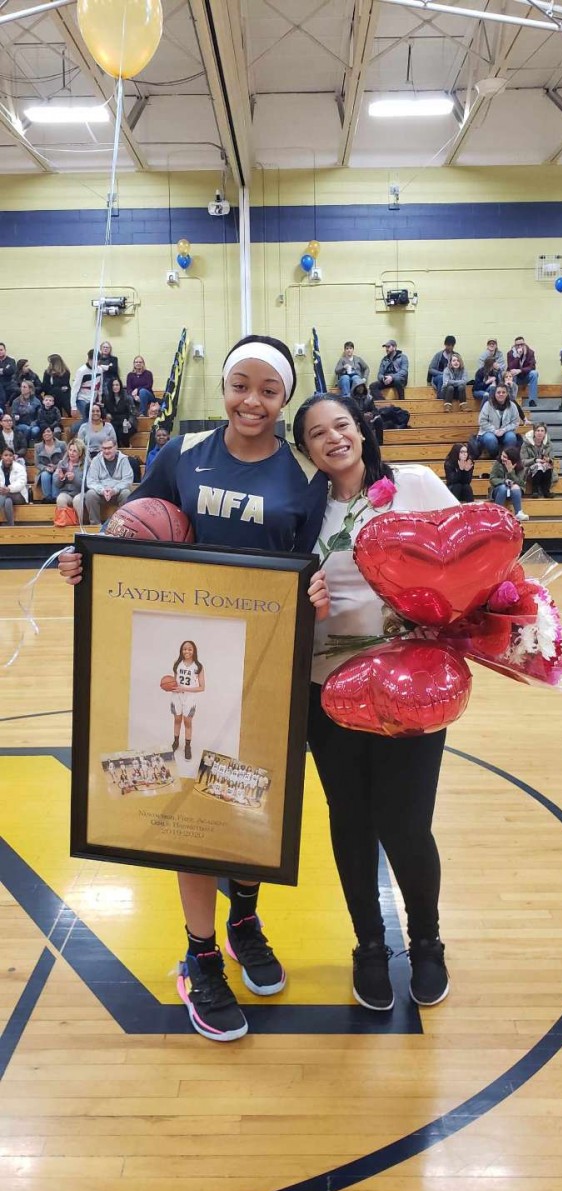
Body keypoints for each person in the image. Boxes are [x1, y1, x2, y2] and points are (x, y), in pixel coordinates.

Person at [58, 334, 330, 1043]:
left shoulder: (304, 476)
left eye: (269, 391)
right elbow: (131, 531)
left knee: (249, 801)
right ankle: (199, 954)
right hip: (183, 656)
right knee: (191, 806)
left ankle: (243, 915)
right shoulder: (181, 454)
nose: (252, 401)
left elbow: (311, 566)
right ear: (225, 387)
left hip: (267, 664)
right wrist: (92, 564)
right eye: (241, 385)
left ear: (284, 399)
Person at [293, 392, 458, 1011]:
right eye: (316, 434)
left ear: (361, 429)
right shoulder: (302, 512)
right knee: (352, 821)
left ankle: (427, 941)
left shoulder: (414, 485)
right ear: (306, 449)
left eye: (342, 425)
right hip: (325, 690)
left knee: (407, 824)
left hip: (411, 688)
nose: (333, 438)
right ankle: (368, 944)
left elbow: (469, 560)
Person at [74, 436, 133, 524]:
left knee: (126, 493)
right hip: (101, 493)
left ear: (115, 447)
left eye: (109, 448)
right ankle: (95, 525)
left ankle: (122, 524)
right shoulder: (96, 460)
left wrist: (115, 490)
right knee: (90, 494)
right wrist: (102, 490)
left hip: (117, 493)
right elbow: (91, 481)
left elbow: (127, 480)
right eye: (104, 448)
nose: (106, 451)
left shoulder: (124, 460)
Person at [169, 640, 205, 761]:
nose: (187, 651)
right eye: (185, 649)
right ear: (181, 650)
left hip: (189, 698)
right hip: (176, 697)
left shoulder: (198, 666)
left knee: (187, 722)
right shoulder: (177, 663)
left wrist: (184, 688)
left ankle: (187, 746)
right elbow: (174, 682)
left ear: (193, 650)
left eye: (189, 649)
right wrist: (170, 687)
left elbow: (202, 687)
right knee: (177, 720)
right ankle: (176, 742)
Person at [477, 384, 521, 458]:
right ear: (495, 394)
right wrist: (494, 430)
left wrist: (504, 430)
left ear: (507, 394)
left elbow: (515, 422)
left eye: (503, 392)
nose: (501, 394)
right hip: (488, 432)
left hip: (505, 432)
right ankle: (495, 456)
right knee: (490, 439)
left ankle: (507, 457)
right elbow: (482, 421)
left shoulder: (512, 405)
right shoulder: (488, 405)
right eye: (498, 392)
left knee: (511, 437)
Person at [489, 446, 529, 521]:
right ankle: (497, 513)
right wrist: (504, 481)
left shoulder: (520, 467)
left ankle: (518, 513)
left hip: (514, 491)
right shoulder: (498, 463)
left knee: (516, 486)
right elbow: (492, 478)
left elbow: (521, 483)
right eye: (502, 455)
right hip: (499, 490)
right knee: (503, 488)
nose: (502, 458)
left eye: (505, 457)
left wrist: (511, 472)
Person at [521, 422, 556, 498]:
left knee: (547, 466)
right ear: (534, 432)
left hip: (545, 468)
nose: (540, 433)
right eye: (538, 430)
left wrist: (548, 460)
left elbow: (552, 461)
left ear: (545, 433)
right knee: (538, 466)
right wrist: (535, 460)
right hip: (529, 469)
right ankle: (535, 491)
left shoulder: (549, 444)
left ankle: (546, 491)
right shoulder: (526, 444)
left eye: (542, 431)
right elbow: (523, 461)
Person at [370, 340, 408, 404]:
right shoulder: (384, 359)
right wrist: (383, 378)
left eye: (388, 347)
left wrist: (392, 377)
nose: (386, 349)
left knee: (397, 379)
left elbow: (404, 371)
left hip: (399, 380)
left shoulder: (403, 357)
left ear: (394, 347)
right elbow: (380, 374)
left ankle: (402, 401)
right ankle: (384, 404)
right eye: (386, 347)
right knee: (372, 386)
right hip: (387, 380)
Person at [103, 377, 137, 448]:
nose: (115, 387)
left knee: (122, 432)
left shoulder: (127, 397)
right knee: (113, 432)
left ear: (120, 386)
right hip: (114, 421)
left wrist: (129, 422)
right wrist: (106, 414)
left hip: (126, 421)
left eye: (117, 385)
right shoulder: (107, 398)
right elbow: (104, 410)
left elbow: (133, 413)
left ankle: (127, 447)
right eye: (113, 385)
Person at [34, 428, 66, 502]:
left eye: (48, 431)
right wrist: (46, 468)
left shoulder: (62, 444)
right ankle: (47, 498)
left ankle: (55, 497)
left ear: (52, 433)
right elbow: (37, 464)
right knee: (45, 475)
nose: (46, 434)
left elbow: (65, 460)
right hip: (45, 470)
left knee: (56, 474)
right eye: (44, 432)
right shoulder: (37, 446)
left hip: (59, 469)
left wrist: (55, 467)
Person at [54, 438, 86, 512]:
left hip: (80, 493)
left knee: (77, 500)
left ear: (80, 453)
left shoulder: (86, 465)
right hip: (66, 493)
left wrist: (74, 479)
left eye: (75, 451)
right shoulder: (62, 463)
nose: (71, 453)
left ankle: (79, 522)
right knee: (60, 499)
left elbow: (88, 485)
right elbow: (57, 484)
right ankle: (66, 522)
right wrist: (61, 478)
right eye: (70, 450)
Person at [71, 350, 104, 419]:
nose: (95, 363)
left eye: (97, 360)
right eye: (93, 360)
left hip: (93, 400)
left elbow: (100, 386)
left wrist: (100, 400)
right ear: (88, 359)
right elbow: (75, 388)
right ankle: (74, 428)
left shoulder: (100, 370)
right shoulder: (82, 371)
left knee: (95, 418)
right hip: (82, 399)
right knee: (88, 418)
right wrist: (73, 406)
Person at [507, 335, 538, 408]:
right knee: (511, 373)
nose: (520, 346)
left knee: (534, 373)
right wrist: (518, 356)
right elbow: (511, 367)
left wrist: (520, 370)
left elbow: (532, 367)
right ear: (515, 346)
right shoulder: (510, 353)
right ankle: (512, 400)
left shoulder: (530, 352)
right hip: (515, 378)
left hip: (525, 376)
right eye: (517, 345)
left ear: (524, 344)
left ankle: (532, 401)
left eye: (521, 344)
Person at [350, 378, 383, 445]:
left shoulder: (369, 398)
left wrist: (372, 414)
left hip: (368, 419)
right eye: (358, 387)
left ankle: (379, 443)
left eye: (362, 386)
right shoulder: (350, 399)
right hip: (356, 419)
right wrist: (363, 415)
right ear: (355, 388)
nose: (361, 388)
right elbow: (351, 412)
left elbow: (374, 410)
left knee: (379, 419)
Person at [0, 447, 28, 524]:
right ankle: (11, 526)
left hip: (19, 496)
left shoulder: (19, 467)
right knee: (7, 501)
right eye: (6, 455)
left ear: (13, 457)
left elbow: (22, 483)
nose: (8, 457)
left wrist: (9, 489)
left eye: (10, 455)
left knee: (4, 495)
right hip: (4, 494)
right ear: (1, 456)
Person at [0, 343, 16, 410]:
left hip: (8, 384)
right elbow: (7, 371)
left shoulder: (11, 360)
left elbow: (11, 371)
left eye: (1, 350)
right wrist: (4, 370)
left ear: (5, 350)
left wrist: (2, 371)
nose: (0, 351)